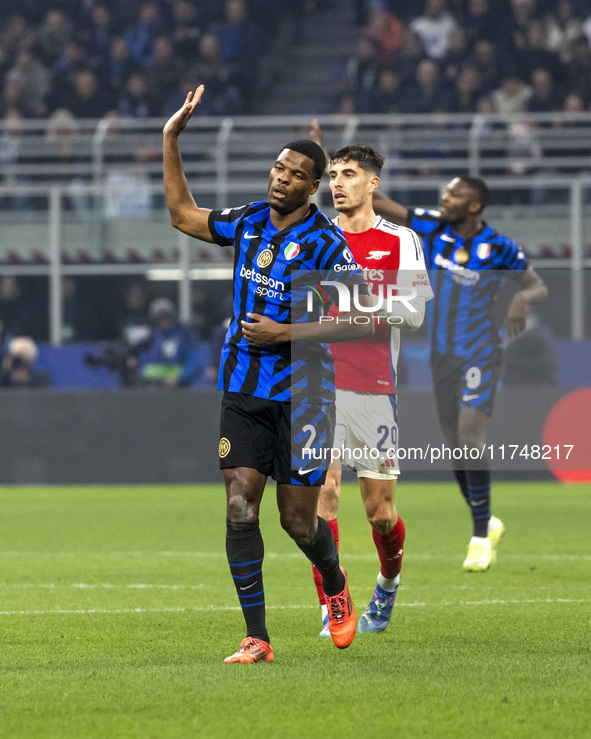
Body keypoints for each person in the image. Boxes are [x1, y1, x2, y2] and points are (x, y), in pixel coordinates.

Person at [163, 85, 374, 663]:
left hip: (305, 396)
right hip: (243, 387)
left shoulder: (329, 245)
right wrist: (171, 138)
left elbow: (361, 322)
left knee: (298, 522)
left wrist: (285, 334)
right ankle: (257, 637)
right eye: (279, 167)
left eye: (297, 173)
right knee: (239, 506)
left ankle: (334, 583)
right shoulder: (249, 221)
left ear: (312, 188)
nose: (282, 177)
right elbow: (183, 214)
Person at [373, 176, 548, 571]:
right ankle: (486, 517)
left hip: (480, 353)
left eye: (454, 194)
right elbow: (383, 202)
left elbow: (537, 286)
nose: (444, 198)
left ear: (474, 206)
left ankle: (480, 538)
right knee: (455, 446)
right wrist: (340, 166)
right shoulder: (433, 226)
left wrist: (521, 297)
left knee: (471, 436)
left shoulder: (499, 246)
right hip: (442, 356)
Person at [308, 137, 433, 637]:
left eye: (348, 175)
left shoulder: (401, 240)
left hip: (374, 386)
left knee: (379, 513)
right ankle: (333, 604)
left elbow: (417, 315)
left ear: (372, 183)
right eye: (332, 176)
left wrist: (366, 300)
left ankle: (388, 582)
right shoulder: (317, 237)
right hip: (318, 384)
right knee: (325, 492)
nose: (338, 184)